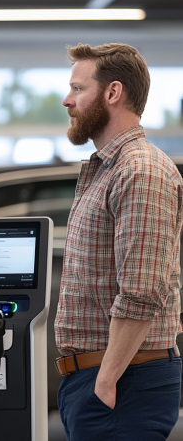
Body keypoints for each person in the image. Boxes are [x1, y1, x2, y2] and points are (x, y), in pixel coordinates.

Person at [54, 42, 183, 441]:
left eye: (78, 88)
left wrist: (105, 380)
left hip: (123, 381)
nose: (66, 100)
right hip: (101, 378)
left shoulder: (140, 170)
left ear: (112, 93)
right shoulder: (106, 169)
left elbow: (142, 290)